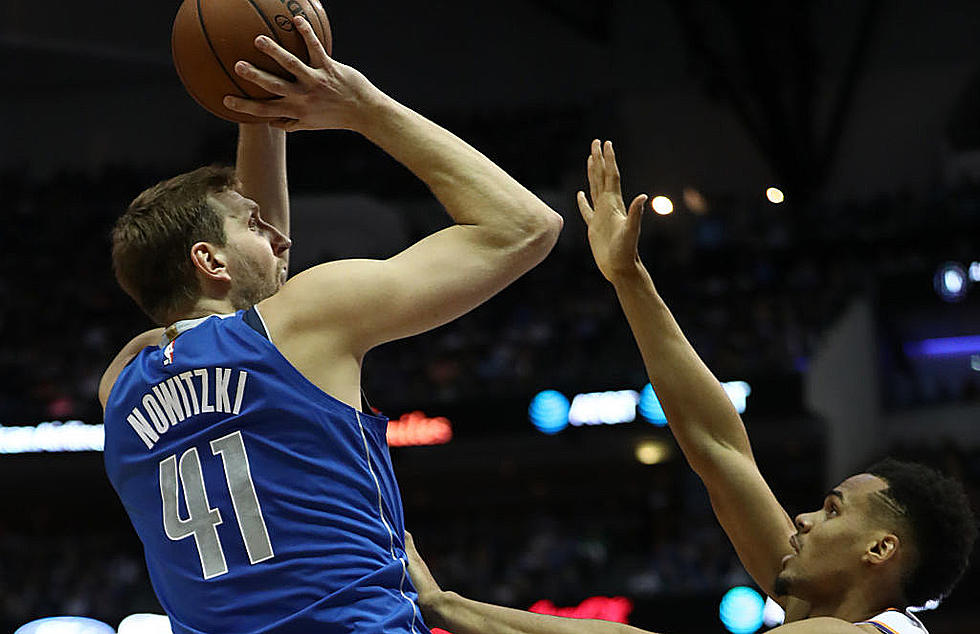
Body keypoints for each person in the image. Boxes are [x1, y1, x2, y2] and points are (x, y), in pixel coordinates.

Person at [99, 16, 562, 634]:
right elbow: (525, 227)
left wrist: (259, 108)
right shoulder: (301, 321)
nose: (282, 237)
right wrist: (362, 106)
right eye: (255, 227)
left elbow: (240, 311)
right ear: (207, 260)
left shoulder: (122, 383)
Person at [404, 140, 977, 634]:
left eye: (832, 511)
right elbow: (717, 445)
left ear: (879, 550)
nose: (803, 519)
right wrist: (628, 278)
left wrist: (446, 607)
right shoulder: (818, 605)